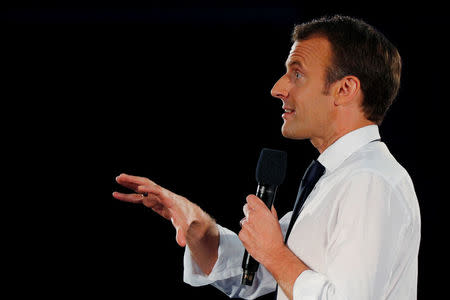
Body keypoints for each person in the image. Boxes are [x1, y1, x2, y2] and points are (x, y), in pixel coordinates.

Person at [113, 15, 420, 300]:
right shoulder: (334, 177)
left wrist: (274, 253)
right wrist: (198, 226)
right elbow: (256, 275)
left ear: (345, 89)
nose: (278, 89)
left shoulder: (370, 181)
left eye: (297, 74)